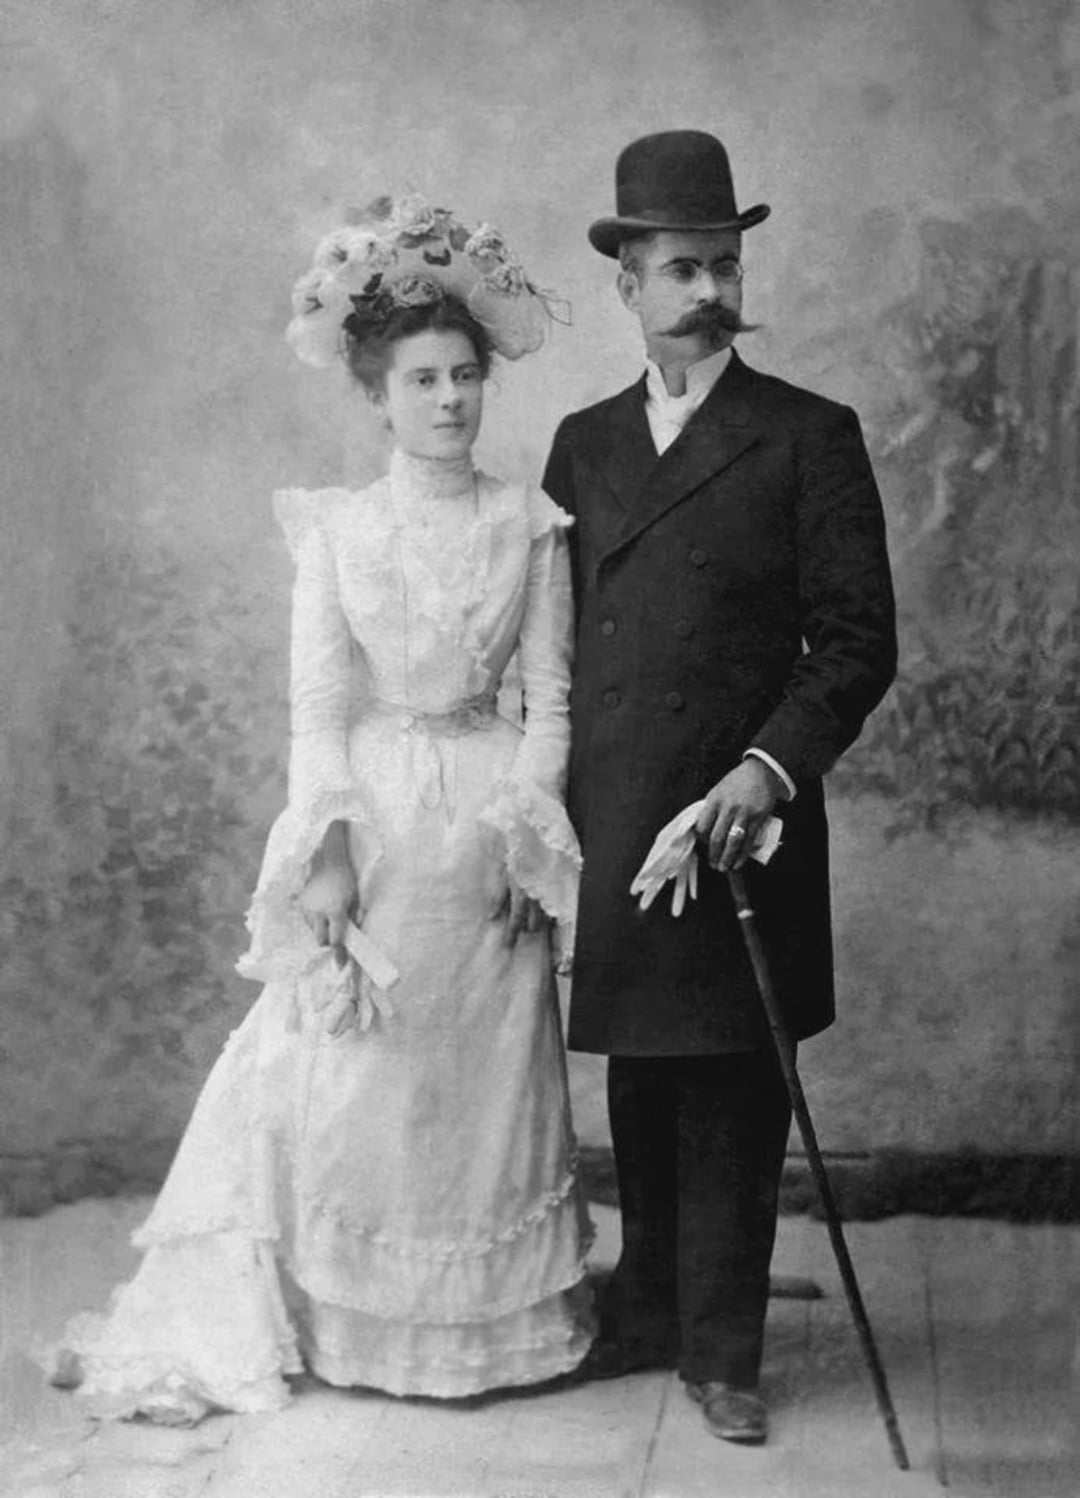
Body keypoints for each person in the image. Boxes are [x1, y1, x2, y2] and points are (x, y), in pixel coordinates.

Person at [49, 194, 593, 1422]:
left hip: (488, 816)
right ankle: (355, 1320)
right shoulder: (341, 528)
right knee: (359, 1073)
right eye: (421, 382)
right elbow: (317, 709)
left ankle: (486, 1333)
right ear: (377, 397)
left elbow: (552, 697)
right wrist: (329, 853)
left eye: (464, 377)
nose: (449, 401)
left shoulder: (529, 522)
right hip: (379, 813)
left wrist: (529, 835)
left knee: (486, 1077)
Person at [542, 131, 897, 1445]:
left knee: (736, 1085)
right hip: (619, 811)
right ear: (629, 284)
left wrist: (765, 768)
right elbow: (551, 644)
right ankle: (649, 1310)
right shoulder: (583, 446)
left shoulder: (807, 435)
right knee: (642, 1077)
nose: (709, 291)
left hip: (745, 821)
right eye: (683, 268)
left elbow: (856, 641)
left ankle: (724, 1349)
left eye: (725, 266)